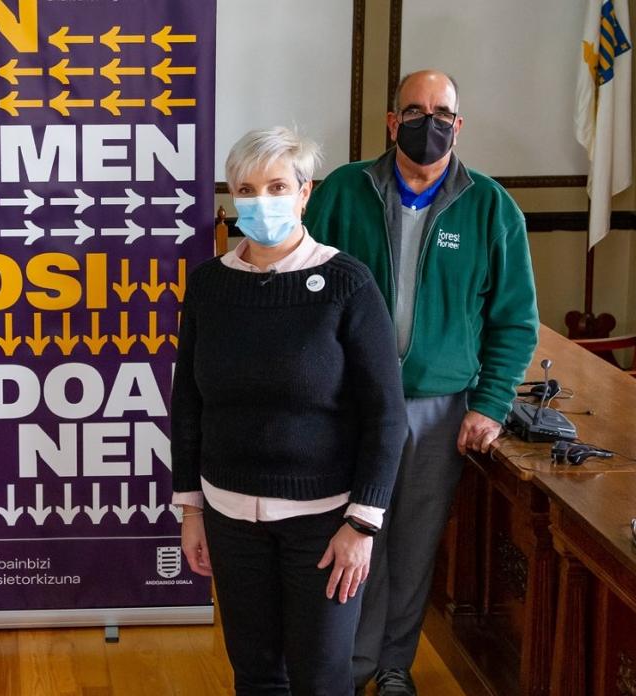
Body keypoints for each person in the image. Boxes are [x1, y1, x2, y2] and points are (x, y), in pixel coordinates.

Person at [304, 70, 539, 696]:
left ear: (458, 126)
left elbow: (515, 320)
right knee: (352, 534)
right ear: (392, 121)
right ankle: (348, 665)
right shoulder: (344, 191)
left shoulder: (491, 207)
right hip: (349, 403)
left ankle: (393, 666)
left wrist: (491, 404)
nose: (426, 123)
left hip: (437, 409)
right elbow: (305, 289)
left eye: (440, 113)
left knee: (412, 540)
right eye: (414, 111)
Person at [172, 127, 408, 695]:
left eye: (277, 186)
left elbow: (386, 416)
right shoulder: (208, 285)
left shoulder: (348, 284)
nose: (262, 201)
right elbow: (188, 404)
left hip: (326, 523)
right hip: (229, 515)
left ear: (304, 193)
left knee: (321, 678)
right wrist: (191, 510)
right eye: (246, 189)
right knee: (255, 676)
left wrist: (362, 524)